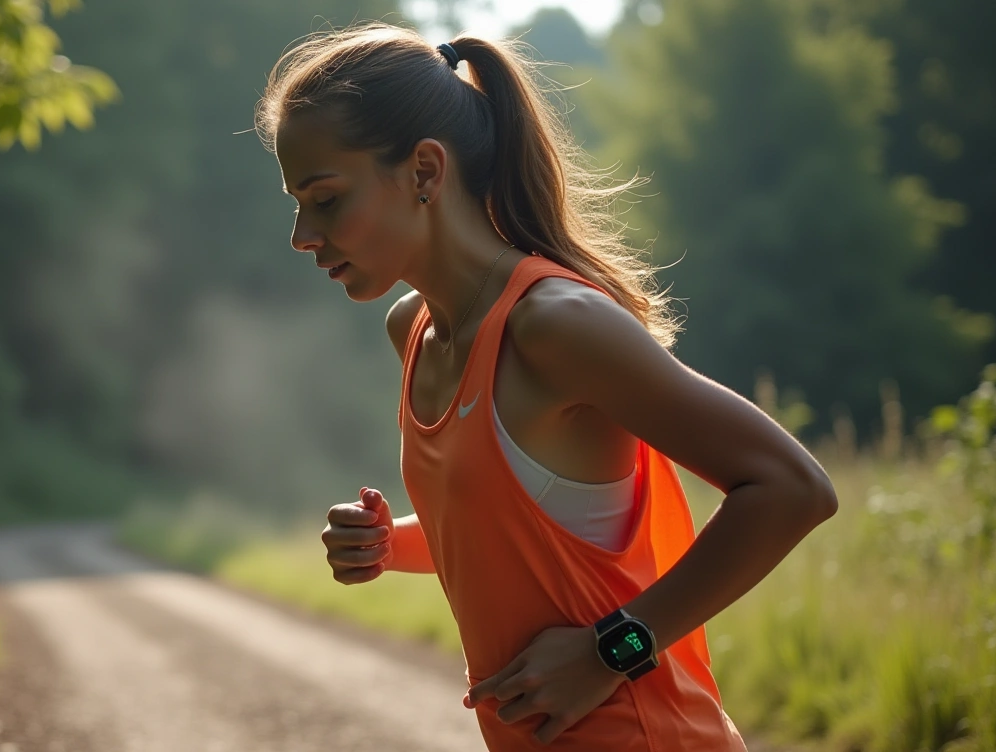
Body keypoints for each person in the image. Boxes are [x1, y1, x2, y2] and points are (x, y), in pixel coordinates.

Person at [256, 22, 838, 752]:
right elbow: (508, 527)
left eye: (326, 198)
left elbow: (793, 488)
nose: (302, 234)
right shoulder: (415, 331)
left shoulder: (555, 326)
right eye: (297, 202)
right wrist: (386, 544)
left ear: (425, 173)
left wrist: (610, 652)